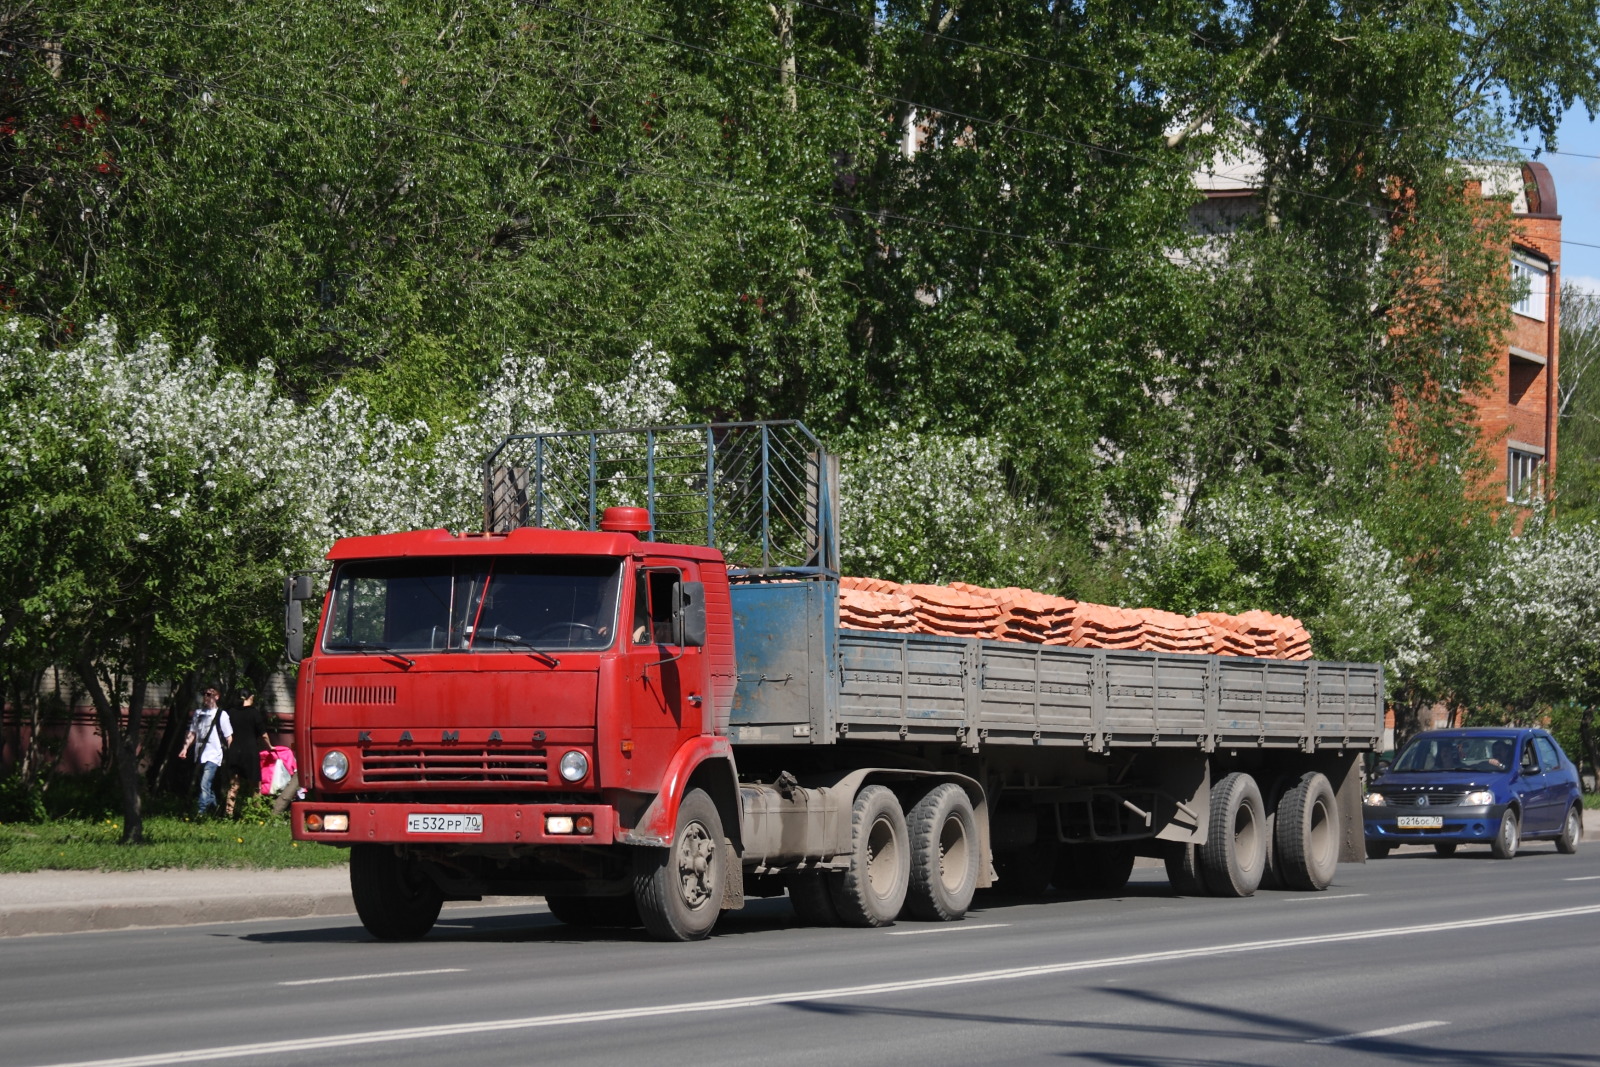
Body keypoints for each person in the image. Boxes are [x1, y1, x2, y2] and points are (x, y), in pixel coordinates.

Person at [178, 685, 233, 816]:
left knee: (204, 783)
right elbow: (192, 733)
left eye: (210, 694)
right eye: (205, 694)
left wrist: (231, 756)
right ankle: (214, 808)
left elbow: (229, 737)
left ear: (217, 697)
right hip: (200, 753)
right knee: (205, 784)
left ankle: (201, 813)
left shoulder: (221, 714)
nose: (206, 697)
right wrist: (185, 748)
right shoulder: (198, 713)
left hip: (214, 754)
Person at [220, 686, 272, 816]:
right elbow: (263, 735)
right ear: (251, 698)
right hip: (250, 752)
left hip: (234, 752)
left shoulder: (230, 712)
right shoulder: (254, 713)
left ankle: (229, 813)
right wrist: (270, 747)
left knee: (234, 785)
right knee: (255, 784)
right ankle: (256, 812)